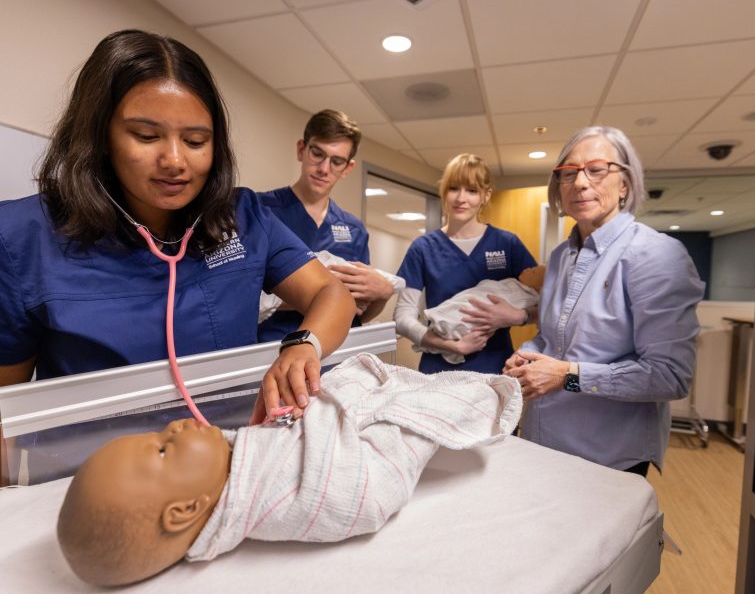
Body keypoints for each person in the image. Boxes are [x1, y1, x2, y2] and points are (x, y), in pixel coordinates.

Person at [0, 30, 355, 425]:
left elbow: (331, 292)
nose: (174, 160)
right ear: (99, 135)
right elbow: (5, 405)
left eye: (195, 140)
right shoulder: (23, 238)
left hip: (228, 457)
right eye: (147, 136)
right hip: (91, 476)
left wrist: (304, 346)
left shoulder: (242, 218)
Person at [56, 353, 521, 586]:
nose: (172, 427)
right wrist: (330, 415)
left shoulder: (235, 464)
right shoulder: (277, 498)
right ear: (185, 511)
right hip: (366, 440)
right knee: (451, 399)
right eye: (161, 450)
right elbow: (363, 494)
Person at [503, 126, 705, 477]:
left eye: (596, 170)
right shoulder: (562, 256)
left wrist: (566, 376)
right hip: (542, 442)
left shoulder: (655, 255)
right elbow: (554, 338)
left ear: (625, 183)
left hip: (606, 458)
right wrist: (527, 355)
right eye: (568, 173)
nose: (580, 183)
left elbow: (670, 375)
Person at [394, 153, 539, 375]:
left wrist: (518, 316)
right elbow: (402, 317)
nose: (461, 198)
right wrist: (451, 346)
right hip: (438, 372)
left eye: (471, 191)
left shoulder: (507, 244)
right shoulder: (423, 248)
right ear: (443, 191)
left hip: (495, 368)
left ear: (485, 195)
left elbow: (547, 307)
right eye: (453, 188)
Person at [257, 109, 395, 342]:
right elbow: (241, 297)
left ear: (347, 168)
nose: (324, 169)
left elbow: (359, 311)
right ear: (301, 149)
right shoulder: (259, 211)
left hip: (335, 356)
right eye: (317, 154)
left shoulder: (353, 229)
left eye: (336, 161)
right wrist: (324, 293)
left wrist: (382, 295)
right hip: (273, 351)